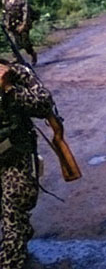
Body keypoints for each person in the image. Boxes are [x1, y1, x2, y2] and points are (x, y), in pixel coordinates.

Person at [0, 58, 55, 268]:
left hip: (14, 155)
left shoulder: (15, 72)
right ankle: (21, 229)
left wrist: (9, 88)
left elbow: (44, 104)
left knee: (13, 209)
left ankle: (12, 258)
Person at [2, 0, 37, 65]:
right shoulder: (5, 1)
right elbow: (5, 13)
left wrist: (24, 25)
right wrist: (6, 23)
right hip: (11, 25)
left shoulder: (22, 0)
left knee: (25, 44)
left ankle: (32, 54)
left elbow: (26, 13)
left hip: (22, 24)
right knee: (13, 43)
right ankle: (16, 58)